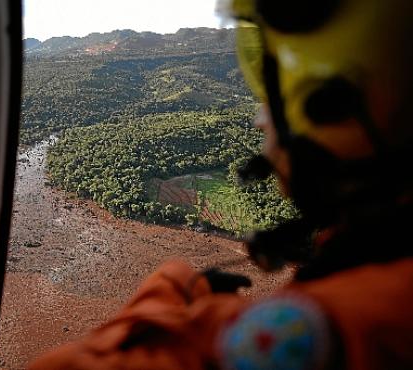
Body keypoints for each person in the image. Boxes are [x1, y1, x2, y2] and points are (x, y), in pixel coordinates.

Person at [29, 0, 413, 369]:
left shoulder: (322, 330)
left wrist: (176, 285)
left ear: (332, 106)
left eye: (270, 99)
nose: (261, 120)